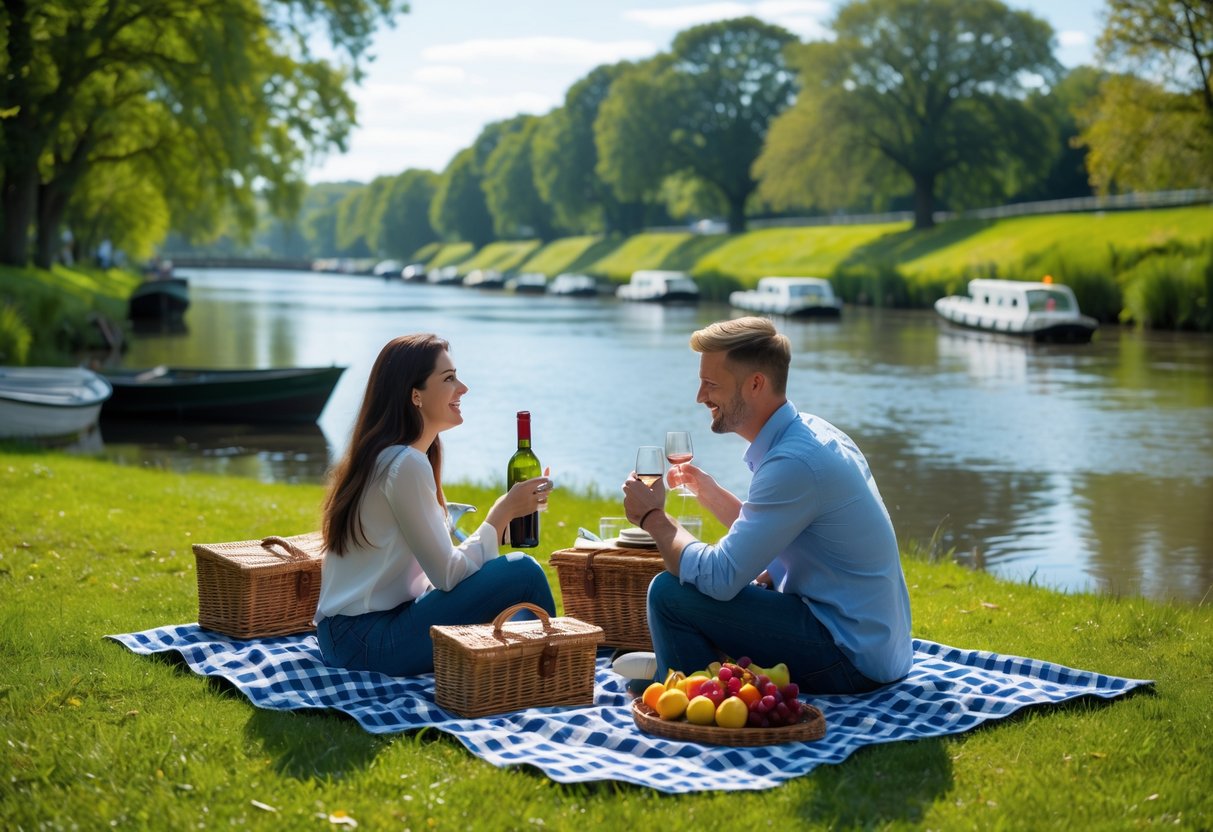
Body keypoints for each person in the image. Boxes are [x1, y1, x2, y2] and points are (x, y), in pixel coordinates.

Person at [620, 317, 912, 694]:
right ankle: (700, 679)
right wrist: (708, 490)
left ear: (756, 383)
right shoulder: (809, 434)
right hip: (875, 645)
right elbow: (776, 531)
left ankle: (689, 700)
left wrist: (653, 517)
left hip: (851, 657)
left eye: (711, 384)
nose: (700, 397)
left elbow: (719, 578)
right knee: (719, 593)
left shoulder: (793, 463)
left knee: (669, 594)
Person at [314, 333, 557, 676]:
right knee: (523, 571)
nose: (463, 388)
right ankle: (558, 671)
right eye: (449, 379)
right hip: (365, 641)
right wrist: (500, 514)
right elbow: (447, 575)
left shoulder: (393, 456)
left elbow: (437, 568)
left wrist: (500, 526)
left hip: (353, 635)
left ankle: (535, 666)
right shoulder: (405, 463)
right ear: (415, 395)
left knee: (514, 584)